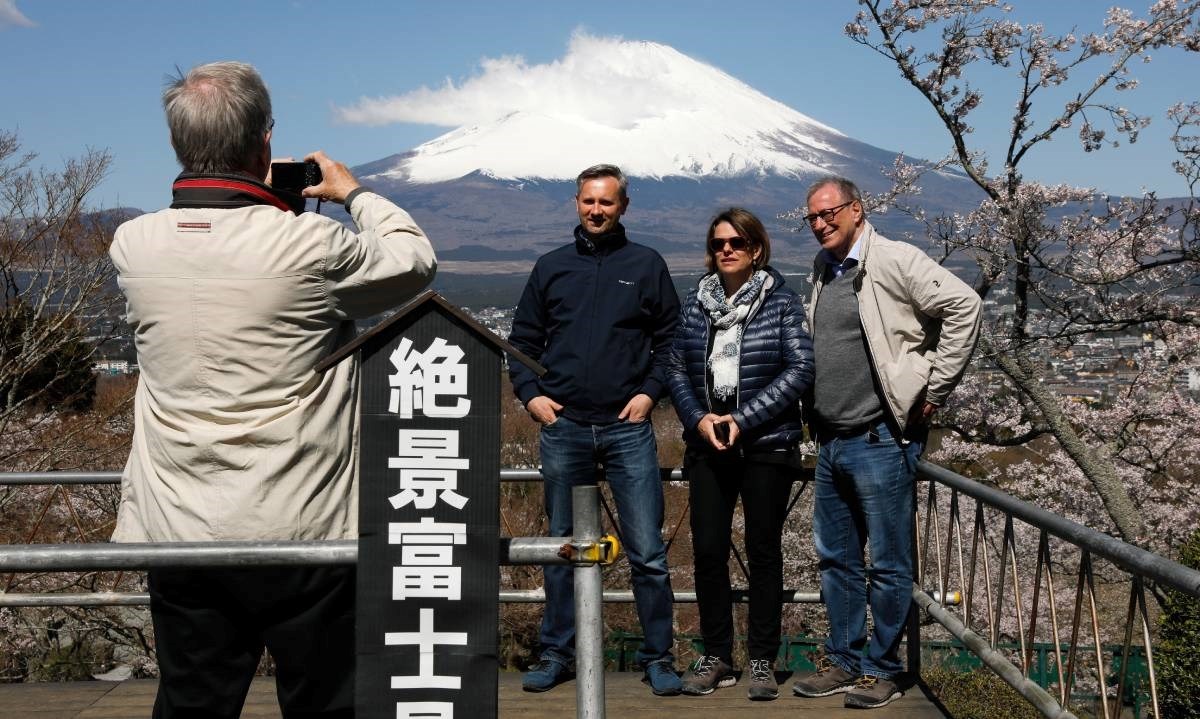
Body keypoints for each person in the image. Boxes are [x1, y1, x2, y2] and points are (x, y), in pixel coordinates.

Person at [108, 61, 436, 719]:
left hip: (178, 531)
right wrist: (354, 194)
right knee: (326, 704)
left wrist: (262, 203)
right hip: (302, 526)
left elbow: (218, 256)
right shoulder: (310, 245)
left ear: (178, 146)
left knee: (192, 703)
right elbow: (414, 261)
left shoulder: (132, 244)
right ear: (264, 144)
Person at [791, 176, 980, 709]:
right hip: (831, 442)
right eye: (812, 217)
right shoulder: (823, 270)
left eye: (830, 212)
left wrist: (936, 389)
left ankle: (883, 668)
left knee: (889, 564)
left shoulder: (894, 260)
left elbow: (965, 306)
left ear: (857, 209)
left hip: (880, 439)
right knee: (837, 559)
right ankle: (845, 661)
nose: (821, 223)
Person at [507, 164, 682, 696]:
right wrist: (531, 396)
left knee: (647, 550)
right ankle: (558, 653)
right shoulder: (552, 267)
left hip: (628, 429)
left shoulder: (646, 265)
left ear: (623, 206)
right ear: (576, 204)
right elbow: (522, 341)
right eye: (588, 202)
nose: (596, 210)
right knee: (562, 547)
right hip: (564, 428)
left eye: (606, 202)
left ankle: (659, 658)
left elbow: (672, 342)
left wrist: (649, 393)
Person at [666, 208, 814, 701]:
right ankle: (716, 655)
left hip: (766, 445)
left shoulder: (782, 304)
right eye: (718, 243)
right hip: (708, 443)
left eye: (736, 242)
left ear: (756, 249)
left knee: (763, 552)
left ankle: (761, 659)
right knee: (707, 550)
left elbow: (799, 368)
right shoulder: (696, 304)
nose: (725, 250)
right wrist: (700, 419)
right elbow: (675, 368)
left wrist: (743, 419)